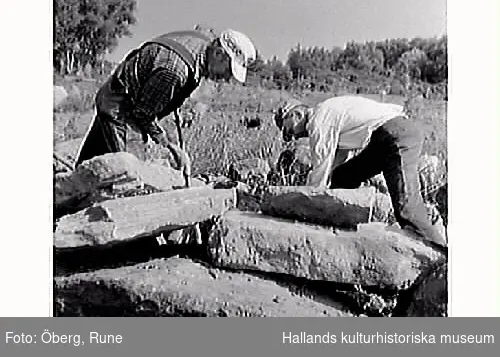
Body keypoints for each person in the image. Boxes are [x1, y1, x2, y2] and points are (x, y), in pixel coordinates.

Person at [74, 26, 257, 185]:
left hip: (120, 101)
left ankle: (63, 201)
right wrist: (170, 146)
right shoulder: (175, 71)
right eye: (228, 70)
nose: (226, 78)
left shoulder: (202, 43)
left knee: (83, 170)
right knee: (126, 178)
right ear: (218, 54)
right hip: (119, 111)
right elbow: (143, 114)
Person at [274, 95, 447, 250]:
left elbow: (321, 166)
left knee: (407, 208)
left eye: (289, 131)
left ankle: (442, 258)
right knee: (344, 176)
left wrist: (307, 203)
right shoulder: (327, 115)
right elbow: (337, 159)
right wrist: (330, 195)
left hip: (396, 136)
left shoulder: (319, 120)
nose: (293, 137)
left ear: (295, 115)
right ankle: (346, 235)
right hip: (383, 137)